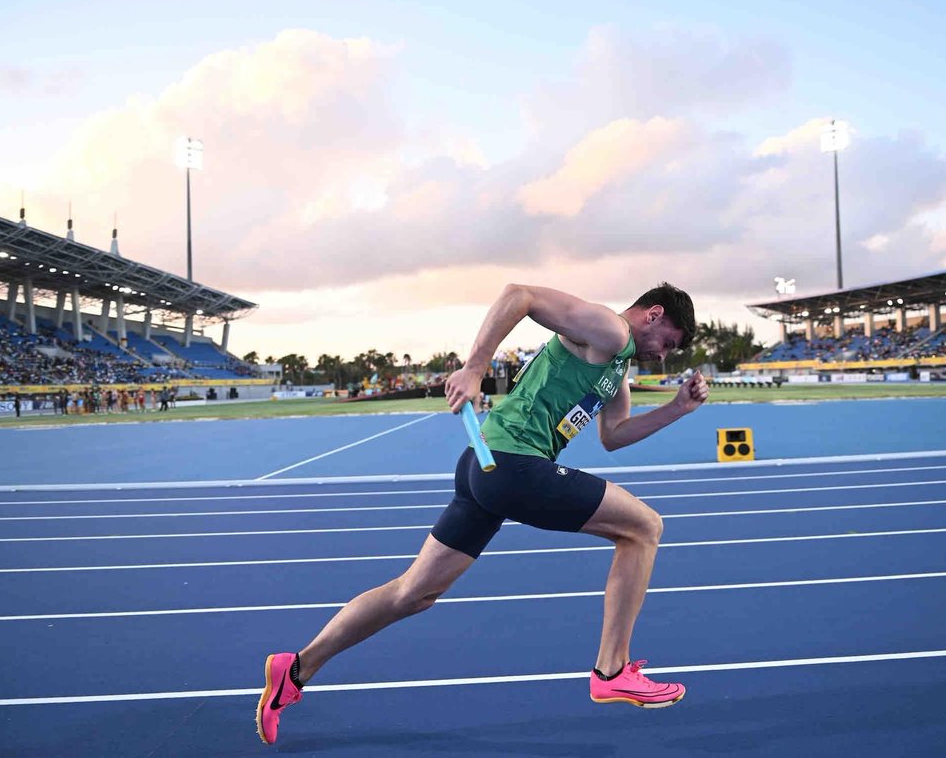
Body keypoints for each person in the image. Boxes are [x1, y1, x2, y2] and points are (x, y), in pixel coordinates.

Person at [256, 282, 709, 745]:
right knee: (644, 528)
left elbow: (614, 435)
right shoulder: (610, 330)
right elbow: (520, 295)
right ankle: (612, 670)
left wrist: (678, 408)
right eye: (668, 342)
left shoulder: (617, 365)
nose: (664, 356)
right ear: (653, 314)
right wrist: (474, 369)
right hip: (513, 463)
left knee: (413, 593)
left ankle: (296, 669)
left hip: (484, 464)